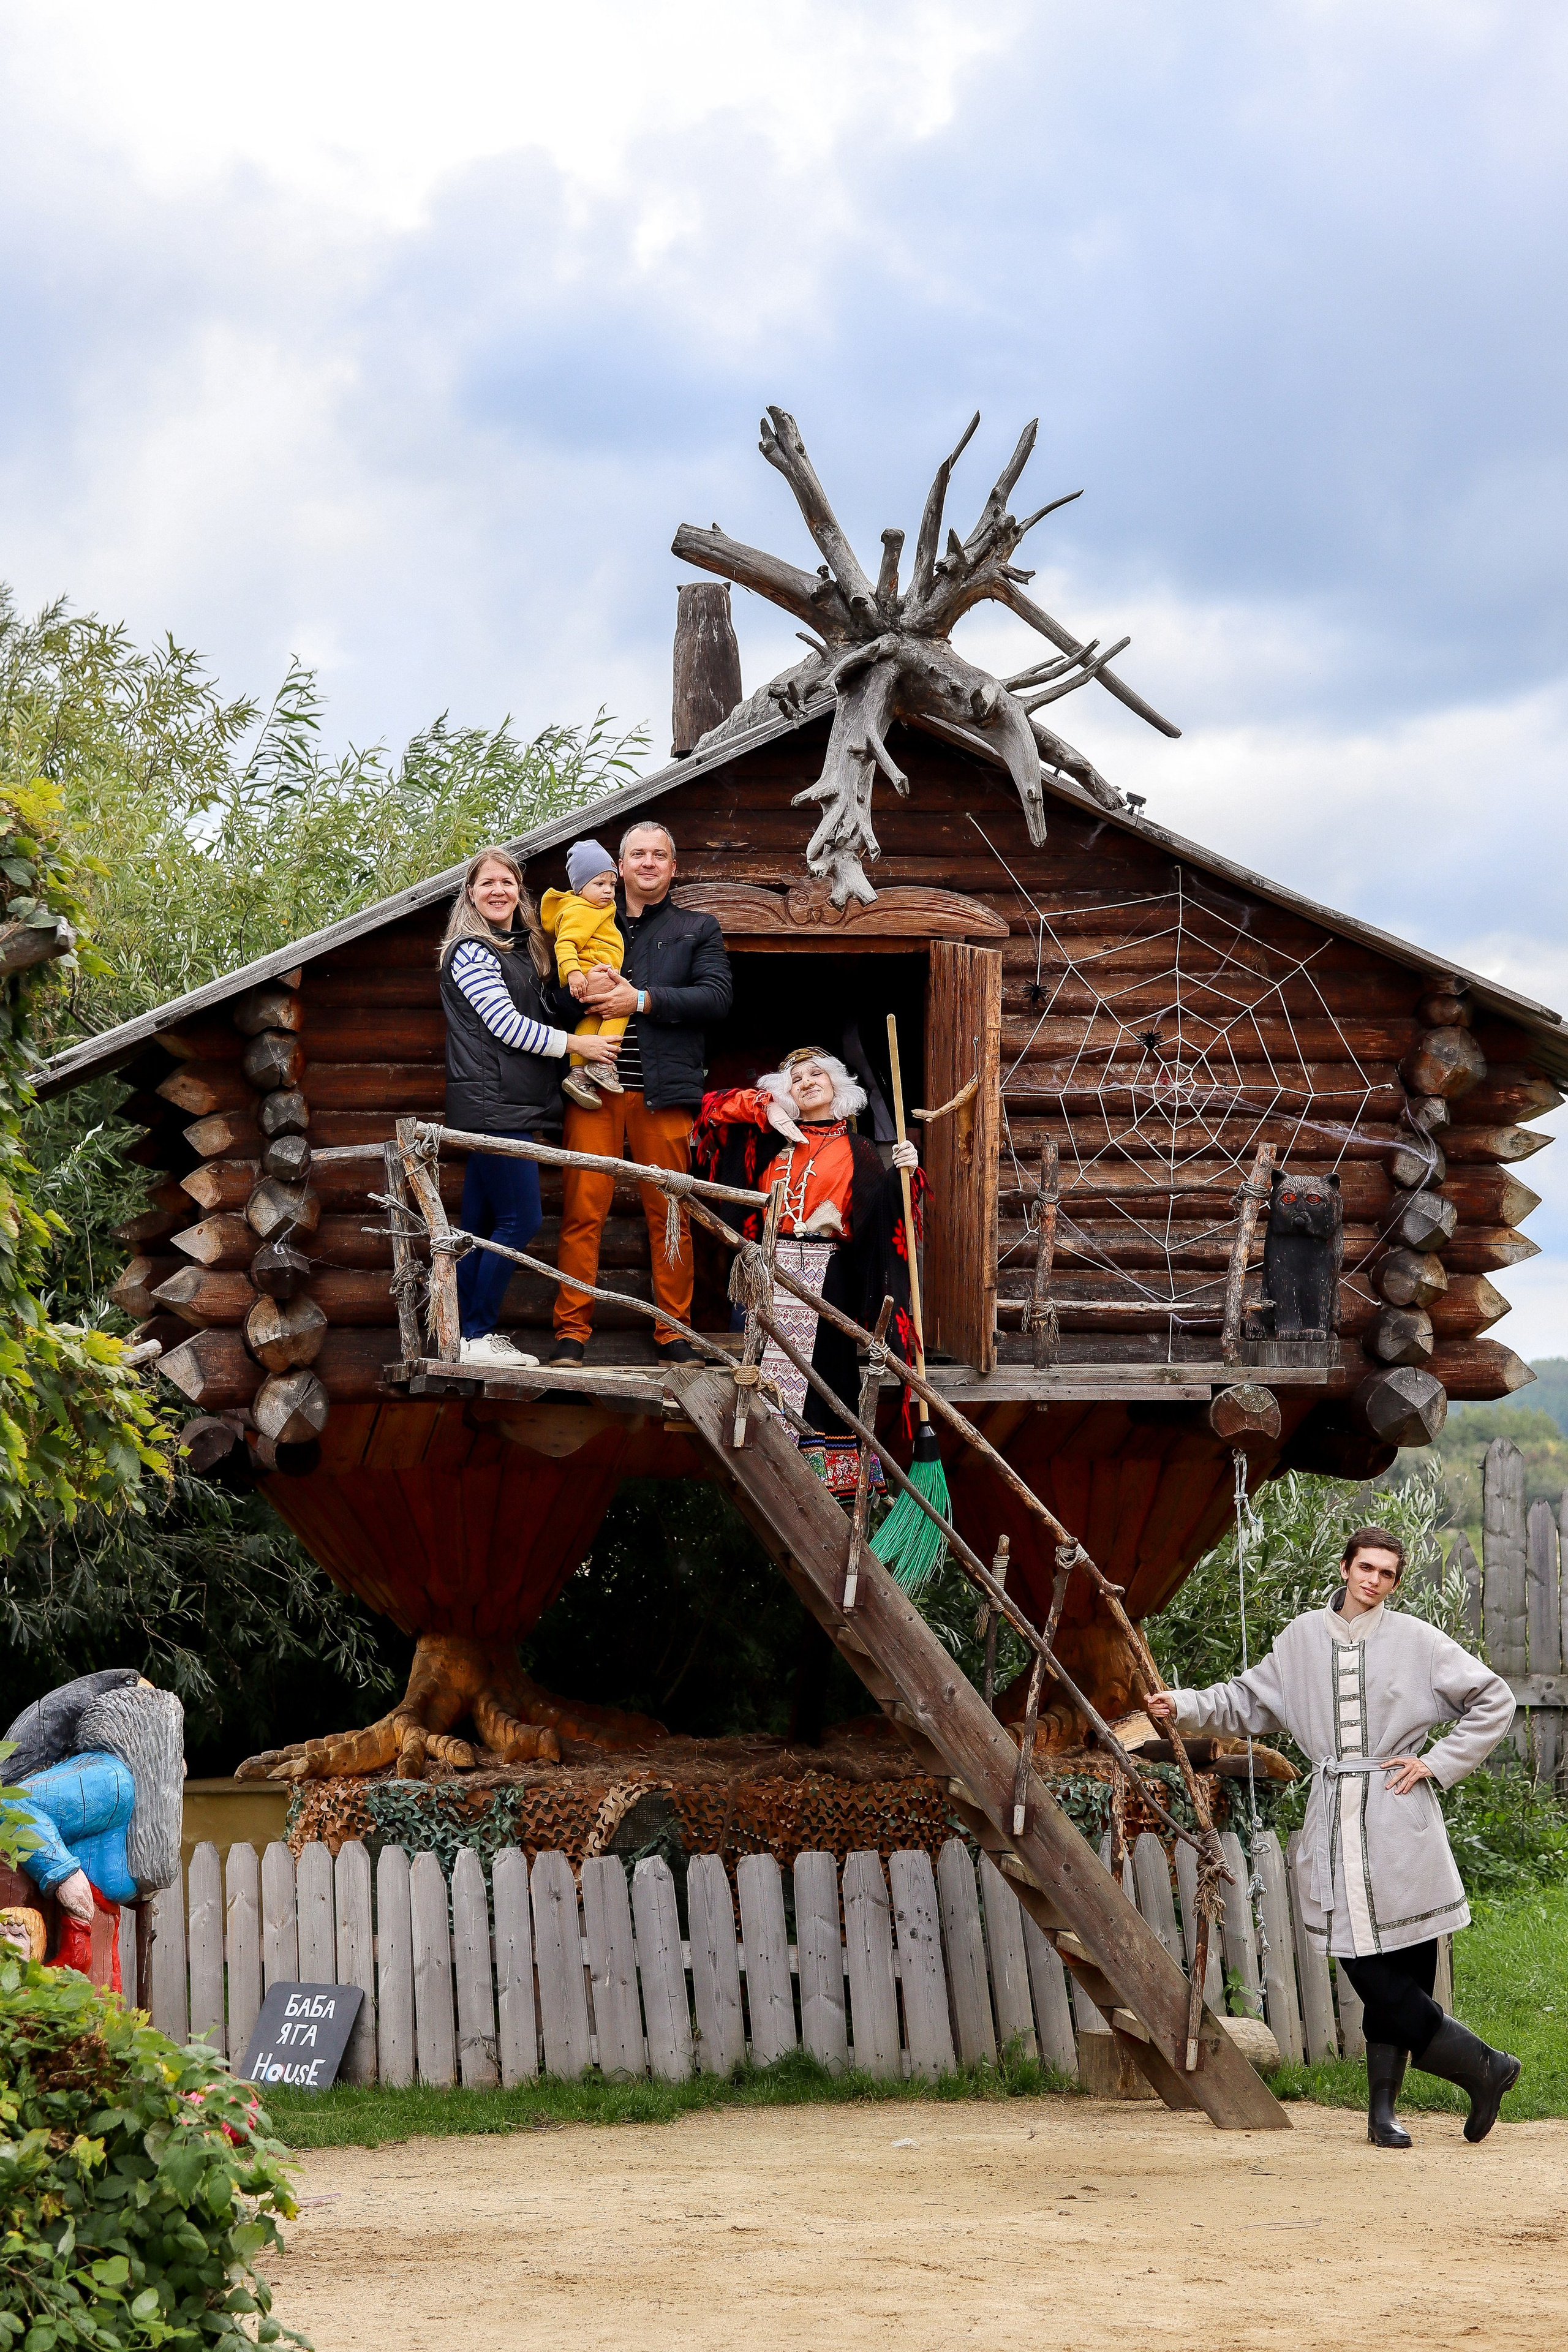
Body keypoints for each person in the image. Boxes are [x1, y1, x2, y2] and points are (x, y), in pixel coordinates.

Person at [1146, 1526, 1520, 2147]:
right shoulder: (1298, 1641)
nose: (1373, 1581)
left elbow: (1493, 1698)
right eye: (1365, 1568)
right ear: (1344, 1567)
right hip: (1333, 1818)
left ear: (1395, 1582)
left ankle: (1383, 2115)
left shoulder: (1418, 1642)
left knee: (1405, 1971)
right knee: (1366, 1967)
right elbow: (1243, 1700)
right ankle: (1485, 2066)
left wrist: (1438, 1762)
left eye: (1386, 1574)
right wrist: (1182, 1705)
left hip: (1400, 1819)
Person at [692, 1047, 922, 1499]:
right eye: (795, 1079)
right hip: (771, 1273)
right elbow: (712, 1111)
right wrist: (766, 1104)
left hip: (831, 1275)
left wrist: (906, 1174)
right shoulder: (768, 1142)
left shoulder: (857, 1149)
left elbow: (881, 1219)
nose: (806, 1082)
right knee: (764, 1368)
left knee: (826, 1370)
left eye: (818, 1074)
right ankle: (770, 1461)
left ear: (838, 1086)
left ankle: (829, 1474)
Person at [551, 821, 731, 1366]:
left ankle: (674, 1333)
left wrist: (642, 1000)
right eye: (637, 854)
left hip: (664, 1094)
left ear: (673, 868)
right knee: (583, 1211)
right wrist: (583, 992)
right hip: (591, 1091)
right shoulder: (584, 919)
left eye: (659, 855)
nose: (648, 862)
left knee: (669, 1212)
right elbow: (550, 1000)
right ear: (620, 866)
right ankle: (570, 1334)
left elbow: (717, 998)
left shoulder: (697, 927)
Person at [440, 846, 620, 1369]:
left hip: (508, 1105)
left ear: (521, 892)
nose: (499, 891)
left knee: (478, 1227)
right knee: (521, 1219)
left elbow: (538, 1007)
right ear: (470, 894)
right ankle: (476, 1332)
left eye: (508, 882)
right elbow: (505, 1027)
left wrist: (590, 983)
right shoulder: (471, 951)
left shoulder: (522, 949)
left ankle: (461, 1336)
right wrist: (577, 1045)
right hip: (493, 1108)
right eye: (487, 883)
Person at [539, 837, 627, 1112]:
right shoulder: (581, 910)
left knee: (591, 1020)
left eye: (612, 884)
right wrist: (576, 973)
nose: (608, 891)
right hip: (589, 974)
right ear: (579, 888)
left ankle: (578, 1074)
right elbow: (565, 944)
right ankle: (603, 1064)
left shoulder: (596, 909)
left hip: (592, 973)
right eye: (599, 884)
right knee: (620, 1010)